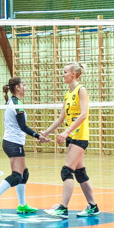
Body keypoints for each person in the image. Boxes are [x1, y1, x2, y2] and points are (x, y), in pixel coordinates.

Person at [41, 62, 100, 218]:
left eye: (65, 72)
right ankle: (93, 206)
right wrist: (46, 132)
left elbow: (83, 114)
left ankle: (63, 208)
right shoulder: (68, 94)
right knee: (80, 173)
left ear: (73, 74)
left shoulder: (81, 90)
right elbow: (61, 118)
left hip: (79, 136)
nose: (63, 74)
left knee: (66, 171)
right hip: (71, 136)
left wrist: (67, 131)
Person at [0, 77, 47, 215]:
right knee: (17, 176)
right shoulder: (16, 104)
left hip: (13, 142)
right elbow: (22, 126)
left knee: (23, 174)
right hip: (13, 143)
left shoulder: (14, 101)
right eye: (24, 85)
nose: (26, 87)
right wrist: (37, 136)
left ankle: (22, 205)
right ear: (17, 87)